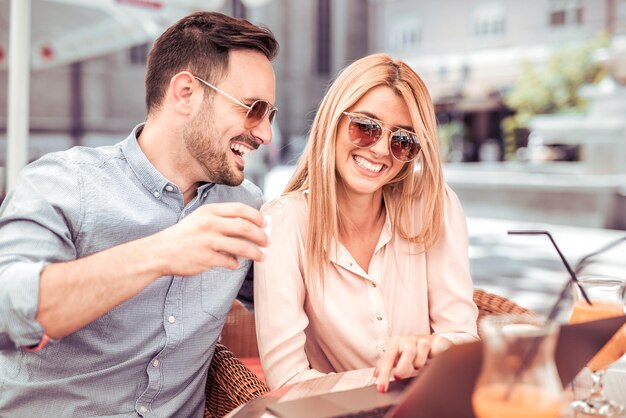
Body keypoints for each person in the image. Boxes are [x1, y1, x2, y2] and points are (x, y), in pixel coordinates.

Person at [0, 11, 277, 417]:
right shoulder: (62, 181)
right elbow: (8, 311)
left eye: (271, 115)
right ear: (185, 93)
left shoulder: (244, 206)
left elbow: (308, 296)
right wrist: (159, 252)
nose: (265, 133)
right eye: (252, 109)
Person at [254, 54, 479, 393]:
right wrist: (394, 383)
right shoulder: (283, 224)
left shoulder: (434, 205)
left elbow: (462, 336)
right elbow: (287, 381)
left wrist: (437, 347)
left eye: (403, 140)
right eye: (365, 127)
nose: (380, 150)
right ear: (333, 120)